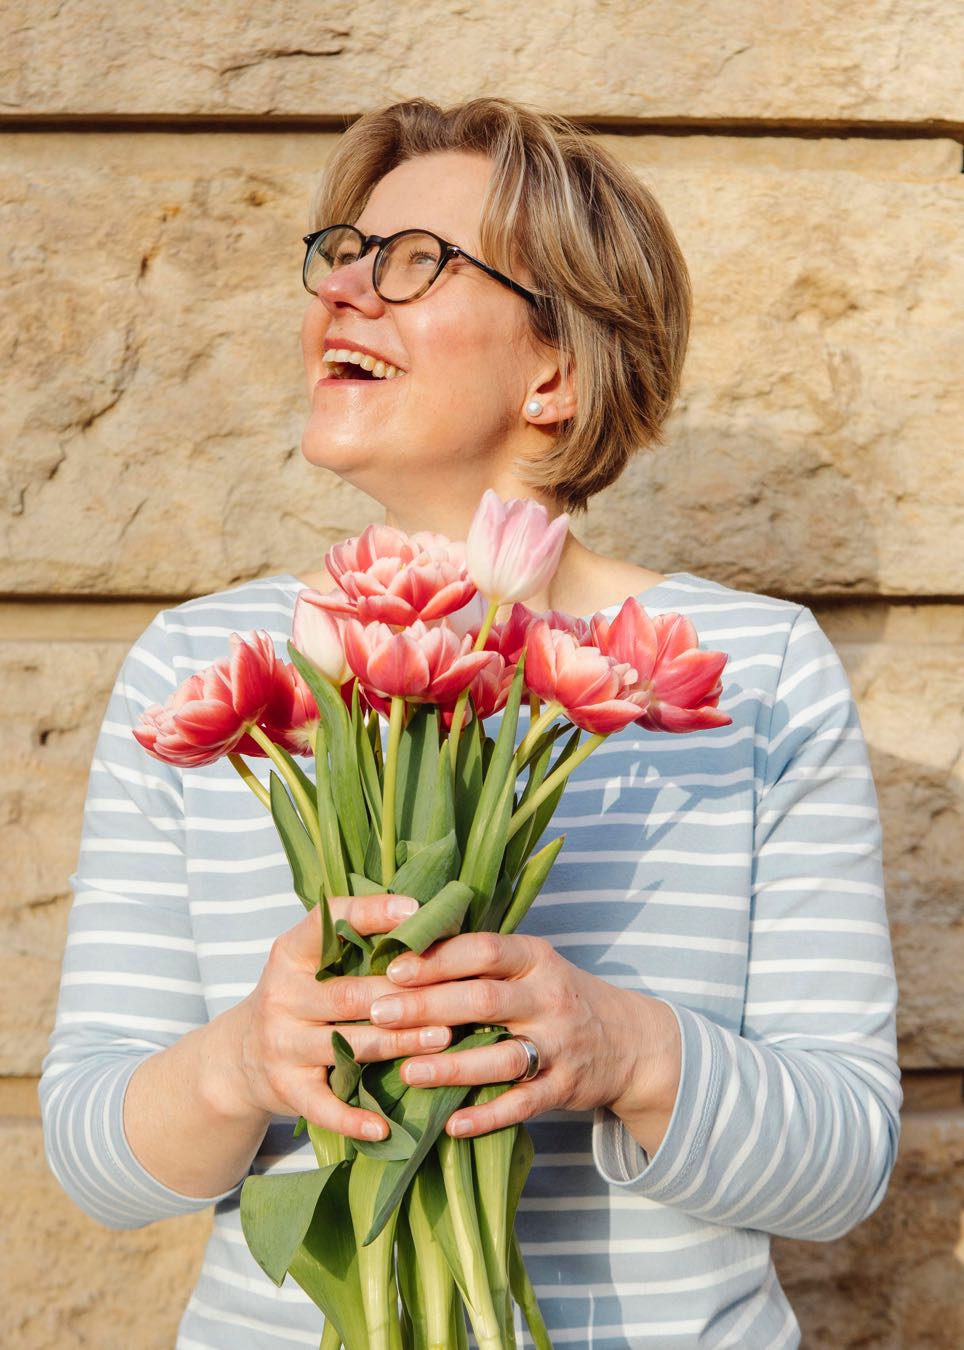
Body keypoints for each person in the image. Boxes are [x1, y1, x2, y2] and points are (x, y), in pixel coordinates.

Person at [39, 98, 900, 1348]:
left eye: (411, 262)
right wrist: (245, 1061)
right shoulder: (211, 669)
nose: (342, 292)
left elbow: (843, 1166)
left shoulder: (745, 673)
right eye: (341, 256)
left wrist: (624, 1049)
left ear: (555, 368)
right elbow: (92, 1160)